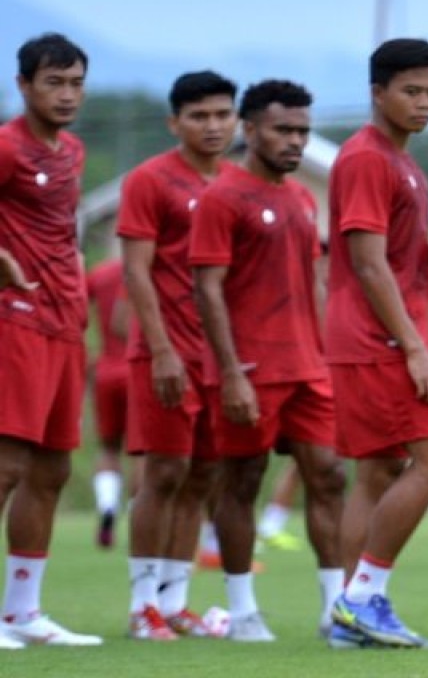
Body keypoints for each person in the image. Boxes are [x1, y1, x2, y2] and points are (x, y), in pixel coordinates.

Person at [189, 79, 347, 643]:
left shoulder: (304, 198)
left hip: (309, 366)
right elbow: (207, 289)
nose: (296, 141)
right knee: (242, 482)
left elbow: (316, 281)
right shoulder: (221, 197)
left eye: (303, 130)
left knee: (328, 476)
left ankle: (337, 609)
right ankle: (243, 610)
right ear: (249, 129)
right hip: (249, 369)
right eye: (283, 129)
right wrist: (229, 371)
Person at [325, 38, 428, 649]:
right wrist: (413, 347)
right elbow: (364, 262)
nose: (424, 103)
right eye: (411, 91)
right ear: (377, 92)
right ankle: (360, 601)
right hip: (376, 337)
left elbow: (388, 255)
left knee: (377, 471)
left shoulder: (402, 161)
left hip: (373, 332)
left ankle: (348, 618)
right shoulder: (366, 158)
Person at [118, 70, 238, 640]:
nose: (212, 125)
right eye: (199, 116)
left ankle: (175, 601)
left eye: (222, 114)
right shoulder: (150, 180)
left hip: (223, 358)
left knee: (204, 477)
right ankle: (143, 606)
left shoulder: (238, 183)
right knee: (163, 473)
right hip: (166, 353)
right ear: (175, 122)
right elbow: (136, 272)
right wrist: (161, 349)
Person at [0, 32, 102, 648]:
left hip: (65, 322)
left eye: (75, 83)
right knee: (6, 463)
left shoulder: (74, 151)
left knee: (53, 468)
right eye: (54, 83)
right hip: (15, 319)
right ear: (24, 86)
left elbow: (65, 231)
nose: (67, 95)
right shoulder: (7, 149)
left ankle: (22, 611)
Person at [85, 255, 131, 549]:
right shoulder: (152, 267)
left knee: (109, 448)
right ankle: (143, 519)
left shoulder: (100, 273)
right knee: (146, 453)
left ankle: (107, 505)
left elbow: (74, 308)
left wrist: (86, 356)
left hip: (106, 370)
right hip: (142, 368)